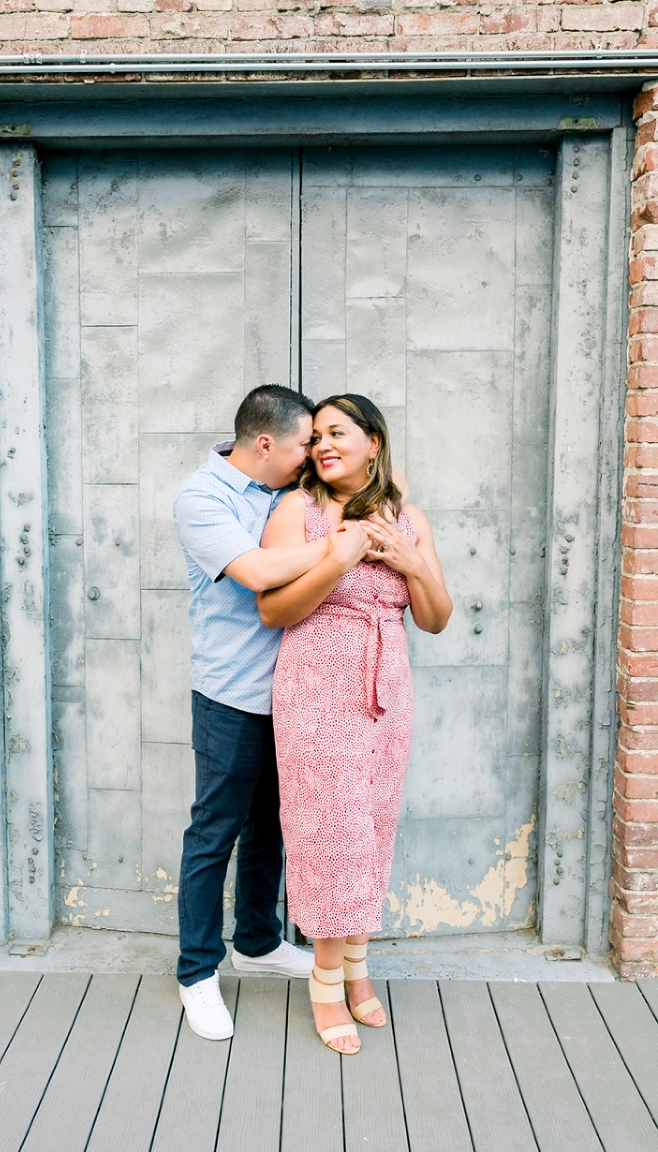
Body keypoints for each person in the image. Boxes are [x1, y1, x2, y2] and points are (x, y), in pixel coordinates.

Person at [258, 394, 452, 1055]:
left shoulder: (408, 517)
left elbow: (434, 616)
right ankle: (325, 979)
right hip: (315, 690)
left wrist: (410, 561)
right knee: (329, 836)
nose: (321, 447)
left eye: (336, 434)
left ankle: (358, 969)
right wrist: (337, 561)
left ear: (374, 441)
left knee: (371, 827)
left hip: (386, 692)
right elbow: (274, 612)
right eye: (314, 438)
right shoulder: (298, 511)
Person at [173, 384, 333, 1042]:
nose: (312, 457)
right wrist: (344, 546)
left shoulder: (291, 493)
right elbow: (259, 572)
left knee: (274, 826)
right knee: (215, 832)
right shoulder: (201, 498)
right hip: (231, 696)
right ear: (265, 443)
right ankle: (197, 974)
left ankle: (260, 943)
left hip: (292, 694)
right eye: (303, 445)